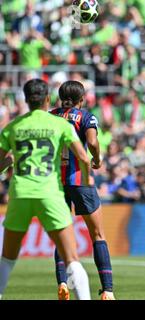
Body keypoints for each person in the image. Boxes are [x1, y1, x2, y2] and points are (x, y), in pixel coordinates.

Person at [0, 79, 91, 300]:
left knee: (7, 259)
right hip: (50, 194)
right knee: (72, 258)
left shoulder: (13, 126)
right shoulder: (60, 124)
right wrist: (87, 183)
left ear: (26, 99)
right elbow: (83, 158)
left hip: (21, 193)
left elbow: (2, 162)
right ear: (48, 99)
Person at [50, 80, 115, 300]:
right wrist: (97, 159)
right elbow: (93, 142)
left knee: (62, 235)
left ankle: (62, 283)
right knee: (97, 234)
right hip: (81, 180)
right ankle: (107, 290)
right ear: (82, 99)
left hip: (56, 183)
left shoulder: (50, 116)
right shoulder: (86, 116)